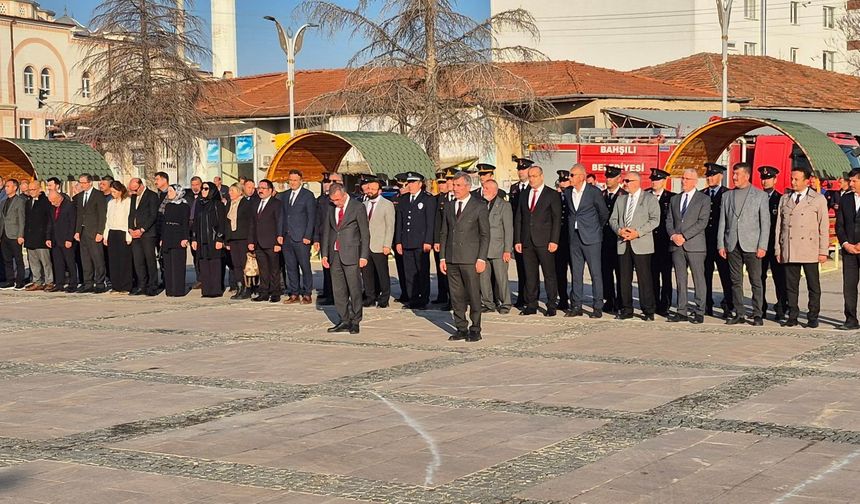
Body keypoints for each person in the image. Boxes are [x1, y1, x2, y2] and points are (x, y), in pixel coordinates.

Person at [775, 167, 829, 328]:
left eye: (796, 179)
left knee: (813, 285)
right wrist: (778, 249)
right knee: (791, 285)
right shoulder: (785, 198)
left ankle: (813, 315)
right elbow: (779, 226)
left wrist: (823, 251)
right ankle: (792, 315)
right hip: (790, 247)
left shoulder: (818, 199)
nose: (793, 182)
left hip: (809, 248)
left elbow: (823, 226)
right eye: (792, 178)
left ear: (806, 181)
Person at [718, 162, 770, 326]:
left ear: (746, 176)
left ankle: (757, 314)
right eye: (733, 174)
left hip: (752, 245)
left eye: (737, 174)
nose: (734, 177)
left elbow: (765, 223)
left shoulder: (760, 196)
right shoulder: (727, 196)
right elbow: (722, 222)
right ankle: (739, 313)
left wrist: (762, 246)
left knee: (756, 281)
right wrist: (721, 244)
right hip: (732, 244)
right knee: (735, 281)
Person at [440, 171, 490, 341]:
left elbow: (485, 234)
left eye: (458, 185)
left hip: (470, 259)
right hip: (452, 258)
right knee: (456, 296)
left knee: (473, 294)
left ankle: (475, 328)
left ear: (468, 187)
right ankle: (461, 327)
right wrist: (442, 258)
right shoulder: (449, 206)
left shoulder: (479, 206)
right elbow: (444, 233)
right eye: (454, 185)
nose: (455, 188)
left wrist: (481, 258)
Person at [609, 172, 660, 320]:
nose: (624, 183)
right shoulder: (621, 199)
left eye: (627, 181)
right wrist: (619, 230)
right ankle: (626, 309)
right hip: (623, 242)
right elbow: (612, 219)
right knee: (624, 279)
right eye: (624, 181)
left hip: (641, 243)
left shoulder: (649, 198)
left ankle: (648, 310)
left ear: (637, 182)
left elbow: (655, 220)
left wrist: (637, 233)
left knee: (644, 278)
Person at [321, 182, 370, 334]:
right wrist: (324, 254)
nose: (336, 203)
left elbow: (365, 233)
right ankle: (344, 319)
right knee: (338, 290)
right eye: (333, 200)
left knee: (354, 289)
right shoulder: (331, 208)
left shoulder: (357, 207)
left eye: (337, 200)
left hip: (351, 254)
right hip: (334, 254)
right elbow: (327, 231)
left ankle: (355, 321)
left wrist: (363, 255)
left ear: (344, 194)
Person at [514, 165, 561, 316]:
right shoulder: (524, 194)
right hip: (527, 241)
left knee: (549, 275)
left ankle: (551, 304)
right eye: (530, 176)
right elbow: (519, 218)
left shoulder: (551, 194)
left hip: (545, 241)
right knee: (530, 275)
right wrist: (518, 240)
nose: (531, 179)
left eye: (534, 176)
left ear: (541, 176)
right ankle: (531, 304)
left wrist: (554, 240)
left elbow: (556, 219)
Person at [666, 168, 711, 324]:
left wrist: (684, 236)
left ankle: (699, 311)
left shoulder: (703, 199)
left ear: (695, 181)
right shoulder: (675, 199)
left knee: (698, 279)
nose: (683, 181)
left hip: (695, 245)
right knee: (680, 279)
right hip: (676, 245)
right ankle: (681, 310)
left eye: (687, 179)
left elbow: (702, 222)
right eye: (682, 178)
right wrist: (673, 235)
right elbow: (669, 220)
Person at [564, 164, 608, 318]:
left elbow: (603, 213)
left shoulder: (593, 192)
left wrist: (596, 229)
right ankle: (576, 305)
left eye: (572, 175)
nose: (569, 178)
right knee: (576, 273)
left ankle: (597, 307)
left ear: (581, 177)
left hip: (591, 237)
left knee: (595, 273)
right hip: (574, 236)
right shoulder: (568, 192)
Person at [394, 171, 436, 310]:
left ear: (420, 184)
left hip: (421, 242)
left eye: (413, 183)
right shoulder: (404, 199)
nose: (410, 185)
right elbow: (400, 222)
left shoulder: (427, 199)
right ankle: (412, 298)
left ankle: (423, 299)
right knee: (409, 272)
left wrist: (428, 241)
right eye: (409, 183)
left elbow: (430, 222)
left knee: (422, 272)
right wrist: (398, 241)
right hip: (406, 241)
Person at [279, 169, 317, 304]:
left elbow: (311, 217)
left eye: (295, 180)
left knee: (304, 266)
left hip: (301, 237)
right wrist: (280, 234)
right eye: (290, 180)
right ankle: (294, 293)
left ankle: (307, 293)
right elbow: (282, 216)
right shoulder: (285, 195)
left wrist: (308, 235)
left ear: (301, 181)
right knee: (290, 266)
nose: (293, 182)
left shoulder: (308, 195)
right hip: (287, 237)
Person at [702, 162, 734, 318]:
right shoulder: (702, 194)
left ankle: (728, 304)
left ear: (720, 176)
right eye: (708, 175)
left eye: (713, 175)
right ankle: (706, 304)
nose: (709, 178)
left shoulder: (728, 194)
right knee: (705, 275)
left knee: (726, 275)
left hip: (722, 242)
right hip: (705, 242)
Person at [758, 166, 788, 321]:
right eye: (763, 178)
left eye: (768, 178)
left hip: (775, 244)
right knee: (759, 277)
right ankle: (760, 308)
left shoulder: (781, 199)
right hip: (759, 245)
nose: (765, 181)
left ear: (775, 180)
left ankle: (781, 307)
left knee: (779, 277)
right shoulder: (756, 198)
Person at [479, 179, 513, 314]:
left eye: (487, 188)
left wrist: (507, 250)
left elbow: (508, 229)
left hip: (498, 248)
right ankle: (488, 303)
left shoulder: (504, 205)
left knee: (501, 278)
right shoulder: (481, 204)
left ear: (495, 190)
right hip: (483, 248)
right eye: (483, 188)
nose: (484, 190)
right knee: (483, 278)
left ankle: (506, 303)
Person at [362, 177, 395, 308]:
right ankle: (370, 297)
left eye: (373, 189)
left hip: (380, 245)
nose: (370, 191)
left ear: (379, 191)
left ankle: (384, 298)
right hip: (365, 246)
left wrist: (387, 244)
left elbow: (390, 226)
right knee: (367, 274)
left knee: (382, 273)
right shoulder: (364, 204)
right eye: (369, 188)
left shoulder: (387, 204)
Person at [190, 182, 226, 298]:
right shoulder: (199, 204)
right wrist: (194, 238)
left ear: (212, 190)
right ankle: (206, 290)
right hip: (201, 239)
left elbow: (222, 223)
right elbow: (195, 223)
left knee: (215, 264)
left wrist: (220, 238)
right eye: (202, 189)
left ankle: (215, 289)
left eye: (206, 189)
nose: (203, 191)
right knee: (204, 264)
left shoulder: (217, 204)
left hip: (213, 239)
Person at [73, 173, 108, 293]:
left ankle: (100, 283)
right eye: (80, 183)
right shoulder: (80, 196)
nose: (82, 185)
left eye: (84, 183)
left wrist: (100, 232)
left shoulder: (98, 195)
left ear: (90, 182)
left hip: (94, 231)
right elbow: (79, 215)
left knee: (98, 258)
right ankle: (88, 283)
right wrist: (77, 231)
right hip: (83, 232)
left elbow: (102, 215)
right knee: (85, 259)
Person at [647, 168, 675, 315]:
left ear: (664, 181)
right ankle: (653, 303)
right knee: (651, 275)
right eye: (652, 179)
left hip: (665, 242)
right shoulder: (645, 196)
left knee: (666, 275)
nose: (654, 182)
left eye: (657, 180)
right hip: (648, 241)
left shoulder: (671, 197)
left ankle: (665, 305)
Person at [250, 179, 283, 303]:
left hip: (272, 242)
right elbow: (252, 223)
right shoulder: (255, 203)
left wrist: (278, 242)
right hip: (258, 242)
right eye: (259, 188)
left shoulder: (276, 204)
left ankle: (275, 292)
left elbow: (279, 222)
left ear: (270, 190)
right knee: (263, 269)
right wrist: (251, 241)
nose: (260, 190)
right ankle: (263, 292)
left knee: (274, 269)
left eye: (263, 188)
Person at [128, 178, 160, 296]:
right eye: (132, 190)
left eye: (135, 189)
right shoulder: (133, 197)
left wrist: (142, 229)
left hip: (147, 233)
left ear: (141, 185)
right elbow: (131, 214)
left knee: (150, 260)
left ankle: (153, 286)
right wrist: (130, 228)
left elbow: (153, 215)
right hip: (135, 234)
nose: (134, 192)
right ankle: (142, 285)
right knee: (138, 260)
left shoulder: (152, 196)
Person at [509, 156, 534, 308]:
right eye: (519, 169)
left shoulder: (533, 188)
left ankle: (530, 296)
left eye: (523, 169)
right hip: (517, 231)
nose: (520, 172)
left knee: (530, 268)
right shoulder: (514, 188)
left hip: (531, 232)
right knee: (520, 266)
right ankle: (521, 296)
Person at [600, 165, 625, 314]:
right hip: (604, 240)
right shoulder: (601, 195)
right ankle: (609, 300)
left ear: (618, 179)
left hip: (619, 240)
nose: (608, 180)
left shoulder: (624, 195)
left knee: (621, 273)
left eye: (611, 177)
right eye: (607, 177)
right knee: (606, 272)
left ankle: (621, 301)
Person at [224, 183, 255, 300]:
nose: (230, 193)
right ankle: (240, 287)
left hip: (243, 238)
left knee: (244, 264)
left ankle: (247, 288)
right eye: (229, 191)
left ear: (240, 191)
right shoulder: (229, 204)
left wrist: (251, 240)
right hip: (232, 238)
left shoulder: (246, 204)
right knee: (236, 264)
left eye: (232, 191)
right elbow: (226, 223)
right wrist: (227, 240)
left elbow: (251, 222)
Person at [314, 172, 340, 305]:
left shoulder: (345, 199)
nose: (331, 183)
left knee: (337, 269)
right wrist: (316, 239)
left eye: (335, 181)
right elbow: (318, 220)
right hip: (325, 238)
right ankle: (328, 293)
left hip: (339, 238)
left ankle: (337, 295)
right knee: (326, 266)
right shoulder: (322, 200)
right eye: (329, 181)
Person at [103, 181, 133, 294]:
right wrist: (106, 235)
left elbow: (128, 219)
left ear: (120, 191)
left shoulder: (127, 201)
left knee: (124, 260)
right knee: (113, 260)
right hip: (112, 232)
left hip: (123, 232)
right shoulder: (111, 203)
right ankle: (116, 285)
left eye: (114, 192)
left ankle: (126, 286)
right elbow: (108, 220)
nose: (113, 194)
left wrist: (128, 235)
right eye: (111, 192)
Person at [23, 182, 53, 291]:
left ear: (39, 189)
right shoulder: (28, 202)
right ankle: (37, 281)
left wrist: (48, 236)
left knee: (45, 262)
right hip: (30, 237)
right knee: (33, 262)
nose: (31, 192)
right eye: (29, 190)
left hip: (42, 237)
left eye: (33, 189)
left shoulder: (45, 201)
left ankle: (49, 281)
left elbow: (49, 220)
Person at [160, 185, 190, 297]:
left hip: (178, 235)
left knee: (178, 264)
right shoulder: (168, 205)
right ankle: (170, 290)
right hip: (167, 235)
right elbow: (164, 222)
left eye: (171, 191)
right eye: (168, 191)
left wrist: (185, 238)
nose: (168, 193)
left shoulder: (184, 206)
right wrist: (162, 238)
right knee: (168, 264)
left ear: (178, 192)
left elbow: (185, 222)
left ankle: (178, 290)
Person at [47, 190, 77, 293]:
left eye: (53, 201)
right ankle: (59, 284)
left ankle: (73, 284)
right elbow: (50, 223)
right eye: (51, 201)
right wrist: (48, 238)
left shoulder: (69, 206)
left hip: (66, 239)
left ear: (59, 198)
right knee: (58, 263)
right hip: (55, 239)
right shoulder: (52, 207)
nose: (52, 203)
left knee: (70, 262)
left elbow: (72, 223)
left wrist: (69, 239)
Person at [0, 179, 27, 289]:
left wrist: (21, 235)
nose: (6, 188)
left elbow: (21, 219)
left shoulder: (19, 201)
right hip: (4, 234)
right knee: (7, 259)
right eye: (5, 186)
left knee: (18, 258)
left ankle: (20, 280)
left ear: (15, 188)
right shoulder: (3, 202)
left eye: (8, 186)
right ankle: (10, 280)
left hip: (15, 234)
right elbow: (2, 219)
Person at [432, 170, 452, 307]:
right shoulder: (439, 199)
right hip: (441, 239)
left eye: (443, 182)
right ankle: (442, 294)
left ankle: (452, 298)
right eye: (439, 183)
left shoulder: (455, 197)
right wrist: (436, 240)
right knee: (441, 269)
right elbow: (436, 222)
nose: (441, 185)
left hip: (453, 240)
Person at [185, 176, 204, 289]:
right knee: (195, 254)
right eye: (193, 185)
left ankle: (205, 278)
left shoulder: (204, 196)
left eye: (197, 185)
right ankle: (199, 278)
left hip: (201, 227)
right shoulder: (188, 197)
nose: (195, 187)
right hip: (190, 227)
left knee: (202, 255)